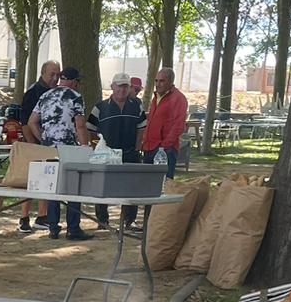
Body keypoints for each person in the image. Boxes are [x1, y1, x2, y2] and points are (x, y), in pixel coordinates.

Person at [25, 66, 92, 240]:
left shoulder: (45, 95)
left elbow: (32, 122)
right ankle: (73, 228)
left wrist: (43, 138)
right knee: (74, 188)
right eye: (78, 81)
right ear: (73, 81)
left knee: (53, 187)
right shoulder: (75, 97)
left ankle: (53, 227)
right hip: (69, 148)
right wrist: (86, 148)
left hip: (49, 148)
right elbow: (80, 125)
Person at [89, 72, 143, 231]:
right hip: (106, 154)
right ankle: (102, 221)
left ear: (129, 88)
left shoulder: (136, 106)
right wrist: (96, 148)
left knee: (131, 188)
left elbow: (142, 128)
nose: (122, 89)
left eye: (125, 86)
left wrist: (137, 147)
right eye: (119, 86)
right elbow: (90, 129)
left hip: (129, 153)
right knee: (102, 187)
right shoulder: (100, 107)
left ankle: (129, 220)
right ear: (113, 87)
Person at [16, 60, 61, 232]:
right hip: (35, 144)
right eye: (52, 74)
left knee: (47, 180)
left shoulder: (56, 93)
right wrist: (33, 145)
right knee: (30, 182)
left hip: (50, 144)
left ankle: (43, 216)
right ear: (43, 73)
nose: (55, 78)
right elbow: (26, 123)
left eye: (58, 74)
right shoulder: (33, 93)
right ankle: (24, 217)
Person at [139, 66, 187, 178]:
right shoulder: (156, 97)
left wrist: (165, 146)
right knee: (146, 184)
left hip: (165, 150)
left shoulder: (178, 98)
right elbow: (151, 120)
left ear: (170, 82)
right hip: (149, 147)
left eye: (162, 81)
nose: (158, 84)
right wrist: (144, 140)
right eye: (156, 80)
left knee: (163, 185)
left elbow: (178, 125)